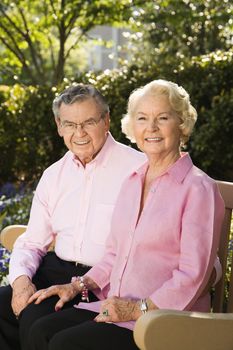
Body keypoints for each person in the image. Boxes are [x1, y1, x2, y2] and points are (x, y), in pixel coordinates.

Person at [26, 79, 225, 350]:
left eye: (162, 118)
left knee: (64, 344)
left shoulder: (198, 188)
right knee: (41, 331)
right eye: (142, 118)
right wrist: (77, 286)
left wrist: (137, 309)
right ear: (133, 127)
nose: (151, 128)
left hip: (164, 319)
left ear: (182, 124)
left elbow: (193, 273)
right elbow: (113, 254)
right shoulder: (133, 180)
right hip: (114, 307)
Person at [0, 84, 146, 350]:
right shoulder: (54, 175)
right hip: (55, 270)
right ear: (59, 125)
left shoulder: (138, 169)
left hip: (103, 281)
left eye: (89, 122)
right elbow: (32, 242)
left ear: (106, 121)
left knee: (37, 322)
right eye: (70, 124)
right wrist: (21, 281)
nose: (79, 133)